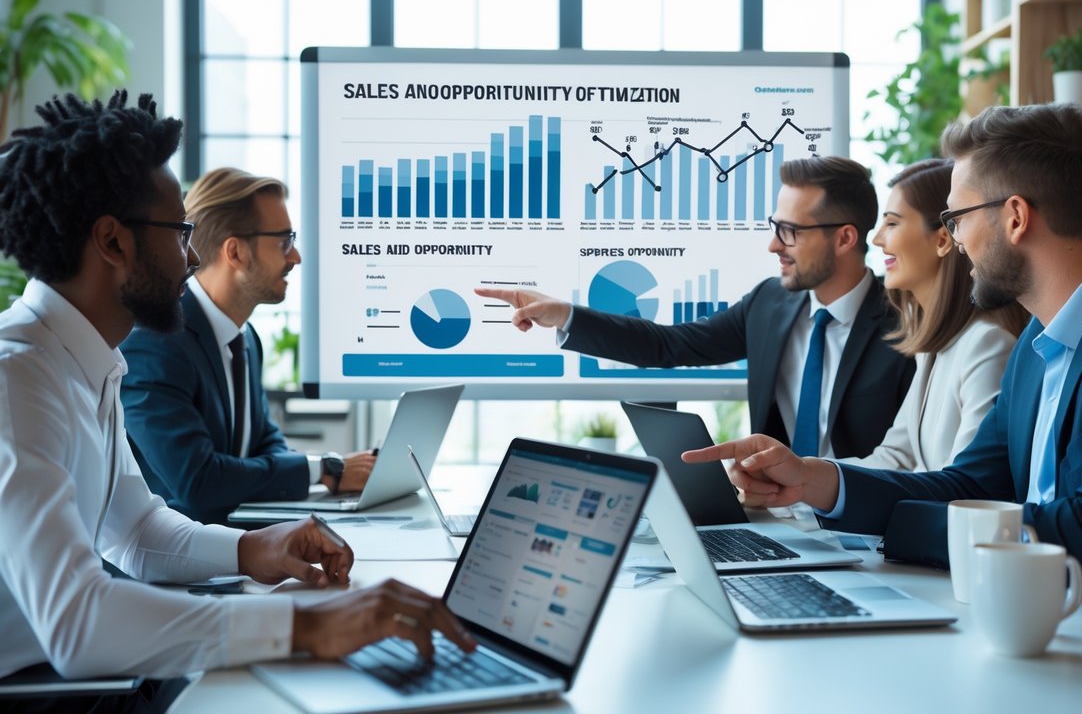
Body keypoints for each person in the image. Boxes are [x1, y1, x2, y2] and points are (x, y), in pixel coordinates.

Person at [0, 93, 473, 710]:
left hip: (79, 680)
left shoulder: (89, 361)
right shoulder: (17, 379)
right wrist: (308, 626)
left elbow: (135, 531)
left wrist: (254, 548)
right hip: (41, 692)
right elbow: (76, 624)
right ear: (113, 242)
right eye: (180, 233)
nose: (193, 256)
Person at [684, 103, 1082, 630]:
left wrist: (901, 528)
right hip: (1050, 626)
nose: (954, 241)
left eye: (956, 219)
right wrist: (814, 482)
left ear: (1015, 218)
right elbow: (970, 484)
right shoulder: (1038, 341)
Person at [478, 156, 916, 461]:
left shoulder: (910, 324)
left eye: (790, 231)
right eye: (774, 227)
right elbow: (669, 345)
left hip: (864, 531)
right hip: (778, 519)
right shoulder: (770, 304)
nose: (773, 245)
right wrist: (565, 315)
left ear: (844, 238)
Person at [121, 168, 375, 525]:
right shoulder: (155, 342)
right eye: (284, 241)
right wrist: (324, 470)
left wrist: (321, 474)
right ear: (236, 252)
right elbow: (199, 481)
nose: (296, 256)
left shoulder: (246, 338)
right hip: (180, 554)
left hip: (243, 539)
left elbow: (265, 442)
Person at [837, 158, 1027, 471]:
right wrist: (799, 480)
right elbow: (897, 457)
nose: (876, 239)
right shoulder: (933, 346)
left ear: (942, 239)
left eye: (892, 223)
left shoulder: (987, 345)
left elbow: (966, 483)